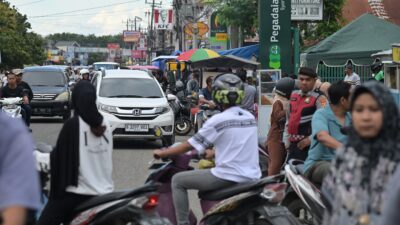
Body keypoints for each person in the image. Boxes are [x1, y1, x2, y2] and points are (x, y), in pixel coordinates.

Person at [153, 73, 261, 225]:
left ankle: (183, 223)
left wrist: (162, 152)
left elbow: (189, 145)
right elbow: (237, 144)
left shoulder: (218, 120)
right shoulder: (248, 117)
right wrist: (214, 153)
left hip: (227, 176)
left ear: (217, 95)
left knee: (178, 180)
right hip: (252, 176)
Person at [321, 81, 400, 225]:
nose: (366, 117)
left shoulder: (395, 160)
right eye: (358, 109)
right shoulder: (344, 157)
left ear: (388, 112)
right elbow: (332, 212)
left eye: (374, 109)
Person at [37, 81, 114, 225]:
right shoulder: (104, 123)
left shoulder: (74, 125)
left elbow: (59, 160)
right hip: (105, 191)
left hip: (78, 193)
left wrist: (35, 157)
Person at [303, 81, 352, 186]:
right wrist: (346, 150)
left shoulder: (351, 117)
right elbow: (322, 136)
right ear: (343, 100)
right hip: (318, 164)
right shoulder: (321, 114)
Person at [0, 113, 41, 225]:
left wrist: (25, 95)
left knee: (26, 109)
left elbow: (15, 210)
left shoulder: (10, 132)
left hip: (18, 104)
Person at [285, 67, 328, 161]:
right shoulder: (293, 96)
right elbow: (288, 120)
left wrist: (310, 139)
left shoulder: (321, 98)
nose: (304, 82)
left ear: (314, 80)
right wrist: (287, 141)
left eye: (308, 80)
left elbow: (326, 121)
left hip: (310, 147)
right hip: (292, 146)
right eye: (301, 79)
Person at [266, 77, 296, 176]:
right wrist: (292, 109)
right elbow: (278, 116)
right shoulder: (278, 101)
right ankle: (270, 186)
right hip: (275, 138)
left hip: (282, 136)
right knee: (276, 165)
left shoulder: (285, 101)